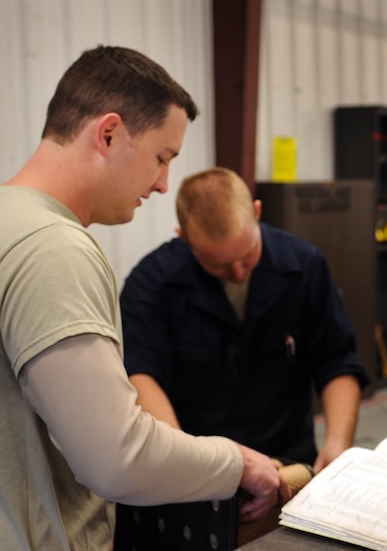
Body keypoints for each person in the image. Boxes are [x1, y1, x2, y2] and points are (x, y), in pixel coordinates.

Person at [0, 46, 290, 550]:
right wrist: (237, 462)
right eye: (162, 158)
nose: (162, 185)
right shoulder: (50, 248)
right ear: (108, 133)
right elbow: (117, 456)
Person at [119, 167, 369, 471]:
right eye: (218, 265)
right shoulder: (150, 284)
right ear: (184, 238)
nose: (238, 274)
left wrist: (338, 443)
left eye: (248, 255)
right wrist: (186, 468)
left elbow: (337, 360)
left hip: (288, 461)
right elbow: (142, 376)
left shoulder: (306, 267)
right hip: (202, 469)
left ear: (257, 211)